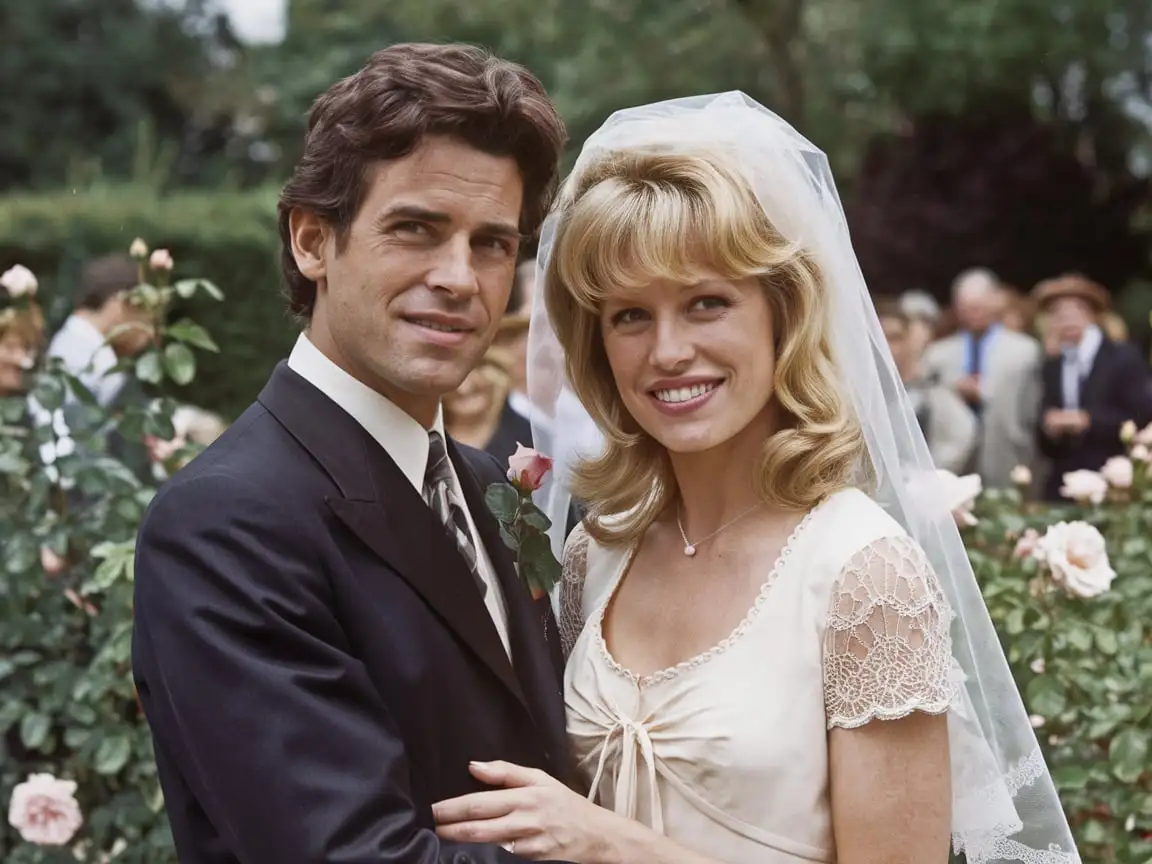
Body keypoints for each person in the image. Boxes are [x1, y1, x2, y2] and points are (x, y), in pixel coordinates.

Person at [432, 93, 1079, 864]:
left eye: (707, 304)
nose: (668, 351)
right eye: (630, 316)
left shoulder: (861, 572)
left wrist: (615, 847)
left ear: (782, 316)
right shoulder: (593, 556)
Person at [132, 43, 569, 864]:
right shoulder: (225, 522)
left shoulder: (485, 483)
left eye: (492, 244)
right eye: (416, 229)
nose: (458, 277)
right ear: (310, 239)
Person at [1033, 274, 1152, 500]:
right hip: (1064, 484)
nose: (1066, 320)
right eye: (1057, 313)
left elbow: (1142, 416)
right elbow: (1043, 433)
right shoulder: (1053, 364)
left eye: (1074, 311)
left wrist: (1087, 420)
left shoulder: (1123, 357)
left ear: (1092, 314)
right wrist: (1050, 427)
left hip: (1114, 482)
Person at [923, 268, 1042, 485]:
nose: (974, 313)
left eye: (979, 305)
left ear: (996, 302)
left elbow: (1031, 410)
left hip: (1006, 457)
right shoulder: (937, 355)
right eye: (967, 307)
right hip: (952, 461)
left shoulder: (1025, 351)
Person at [876, 298, 977, 474]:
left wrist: (930, 473)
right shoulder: (859, 390)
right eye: (880, 337)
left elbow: (964, 432)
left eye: (895, 338)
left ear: (909, 341)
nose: (887, 346)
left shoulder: (931, 387)